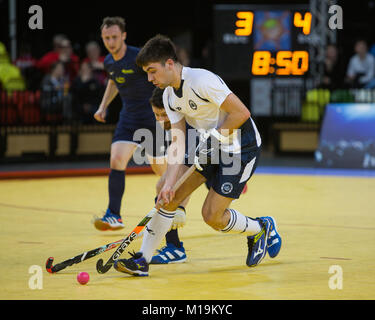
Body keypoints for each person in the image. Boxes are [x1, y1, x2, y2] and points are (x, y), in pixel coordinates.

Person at [113, 34, 282, 277]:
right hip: (211, 148)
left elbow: (241, 113)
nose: (150, 79)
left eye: (152, 71)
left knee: (212, 216)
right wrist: (169, 183)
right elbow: (178, 144)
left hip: (240, 150)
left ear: (169, 64)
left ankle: (261, 227)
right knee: (168, 200)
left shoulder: (202, 80)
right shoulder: (170, 97)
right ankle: (142, 260)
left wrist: (213, 139)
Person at [92, 17, 185, 233]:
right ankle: (113, 215)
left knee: (162, 173)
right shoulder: (109, 62)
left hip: (152, 120)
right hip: (129, 119)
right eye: (106, 38)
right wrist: (103, 106)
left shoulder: (138, 58)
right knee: (116, 159)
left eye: (115, 37)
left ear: (123, 35)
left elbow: (161, 79)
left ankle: (176, 205)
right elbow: (114, 80)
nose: (111, 42)